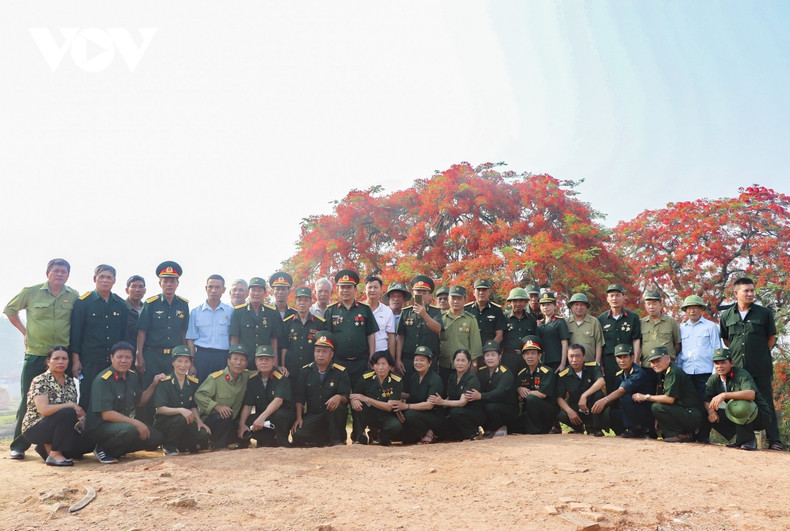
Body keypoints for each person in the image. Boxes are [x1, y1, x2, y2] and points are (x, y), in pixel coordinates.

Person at [4, 258, 78, 460]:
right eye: (56, 271)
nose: (60, 274)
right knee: (27, 401)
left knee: (64, 399)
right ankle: (19, 445)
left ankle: (53, 444)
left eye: (64, 271)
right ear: (48, 273)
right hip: (36, 353)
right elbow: (10, 310)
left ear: (68, 275)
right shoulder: (31, 291)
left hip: (62, 356)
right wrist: (23, 331)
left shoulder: (73, 295)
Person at [718, 277, 783, 451]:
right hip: (738, 368)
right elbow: (726, 340)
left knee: (766, 402)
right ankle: (743, 439)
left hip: (760, 367)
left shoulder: (764, 313)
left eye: (752, 290)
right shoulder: (726, 316)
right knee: (737, 401)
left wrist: (759, 354)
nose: (750, 294)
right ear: (736, 293)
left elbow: (771, 338)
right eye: (746, 291)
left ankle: (775, 440)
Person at [84, 341, 164, 464]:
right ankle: (103, 449)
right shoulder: (103, 380)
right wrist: (136, 423)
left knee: (156, 438)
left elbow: (140, 401)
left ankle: (118, 449)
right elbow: (107, 414)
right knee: (130, 430)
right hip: (100, 428)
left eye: (128, 357)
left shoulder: (132, 376)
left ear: (133, 359)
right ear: (111, 358)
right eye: (119, 357)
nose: (123, 360)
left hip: (121, 426)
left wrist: (154, 384)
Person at [323, 269, 378, 444]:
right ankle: (337, 437)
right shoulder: (331, 311)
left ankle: (359, 435)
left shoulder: (364, 309)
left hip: (361, 361)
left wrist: (372, 357)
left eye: (349, 287)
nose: (345, 290)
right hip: (338, 363)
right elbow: (328, 338)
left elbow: (370, 334)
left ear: (355, 289)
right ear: (337, 289)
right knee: (339, 398)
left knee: (359, 397)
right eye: (342, 287)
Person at [136, 261, 190, 424]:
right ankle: (145, 429)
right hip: (152, 355)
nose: (169, 284)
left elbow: (183, 333)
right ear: (160, 283)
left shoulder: (184, 305)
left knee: (171, 392)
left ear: (177, 283)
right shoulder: (151, 304)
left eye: (172, 281)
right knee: (149, 390)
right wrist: (139, 355)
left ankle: (166, 430)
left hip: (173, 358)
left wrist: (185, 358)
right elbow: (142, 331)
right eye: (165, 280)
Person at [70, 264, 129, 410]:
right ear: (95, 279)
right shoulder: (83, 302)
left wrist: (123, 360)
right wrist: (76, 360)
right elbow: (76, 333)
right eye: (101, 277)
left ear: (114, 280)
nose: (105, 280)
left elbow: (124, 336)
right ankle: (84, 430)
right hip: (91, 360)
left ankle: (111, 431)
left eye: (109, 277)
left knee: (114, 397)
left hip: (113, 361)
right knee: (88, 396)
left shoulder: (121, 305)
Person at [21, 346, 91, 466]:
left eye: (64, 358)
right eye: (56, 358)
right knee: (67, 411)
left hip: (59, 429)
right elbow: (44, 410)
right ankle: (55, 455)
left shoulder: (70, 382)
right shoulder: (40, 380)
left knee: (88, 444)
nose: (60, 362)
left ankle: (45, 449)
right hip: (36, 427)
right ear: (48, 361)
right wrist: (70, 405)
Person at [704, 348, 772, 450]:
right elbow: (706, 399)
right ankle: (739, 440)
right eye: (716, 363)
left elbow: (751, 394)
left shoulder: (741, 374)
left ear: (731, 363)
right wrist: (711, 411)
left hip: (759, 415)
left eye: (723, 363)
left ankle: (749, 440)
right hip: (739, 416)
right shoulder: (713, 379)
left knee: (739, 405)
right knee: (703, 410)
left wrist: (724, 395)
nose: (719, 366)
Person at [291, 332, 351, 447]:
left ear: (332, 354)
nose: (320, 355)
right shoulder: (305, 371)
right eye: (318, 351)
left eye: (324, 351)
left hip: (332, 415)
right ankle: (322, 439)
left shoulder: (340, 371)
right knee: (298, 435)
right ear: (314, 352)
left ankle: (336, 440)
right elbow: (299, 397)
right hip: (314, 414)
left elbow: (347, 397)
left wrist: (339, 397)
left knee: (337, 406)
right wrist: (299, 418)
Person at [633, 347, 702, 443]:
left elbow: (669, 399)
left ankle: (682, 435)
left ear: (668, 359)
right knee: (656, 406)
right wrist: (658, 418)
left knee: (656, 406)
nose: (655, 365)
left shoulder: (673, 372)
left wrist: (646, 397)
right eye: (653, 362)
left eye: (658, 361)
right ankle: (676, 434)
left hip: (691, 414)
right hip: (681, 411)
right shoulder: (663, 373)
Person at [677, 295, 721, 444]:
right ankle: (690, 434)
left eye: (695, 307)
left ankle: (703, 436)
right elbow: (680, 353)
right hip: (687, 371)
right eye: (689, 308)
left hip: (706, 372)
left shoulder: (711, 327)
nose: (692, 310)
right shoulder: (682, 328)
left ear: (701, 309)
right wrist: (678, 372)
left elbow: (717, 350)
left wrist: (715, 374)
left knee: (706, 402)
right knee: (689, 404)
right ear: (685, 310)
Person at [153, 345, 211, 456]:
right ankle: (169, 447)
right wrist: (180, 410)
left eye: (186, 361)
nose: (183, 365)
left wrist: (199, 421)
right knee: (181, 418)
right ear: (173, 363)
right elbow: (160, 409)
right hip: (166, 423)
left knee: (204, 434)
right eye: (179, 361)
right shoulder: (165, 382)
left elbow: (193, 405)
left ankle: (183, 446)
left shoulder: (193, 383)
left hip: (185, 421)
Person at [591, 344, 655, 438]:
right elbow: (614, 398)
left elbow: (622, 391)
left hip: (644, 412)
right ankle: (622, 431)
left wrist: (604, 400)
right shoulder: (620, 375)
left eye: (625, 357)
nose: (622, 360)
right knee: (610, 413)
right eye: (619, 357)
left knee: (626, 397)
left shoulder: (638, 373)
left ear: (632, 357)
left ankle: (639, 429)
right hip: (629, 412)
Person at [194, 344, 250, 450]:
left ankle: (230, 440)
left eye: (242, 360)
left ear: (246, 363)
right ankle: (218, 445)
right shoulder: (216, 378)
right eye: (235, 359)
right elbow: (199, 395)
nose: (238, 363)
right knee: (226, 414)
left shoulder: (247, 376)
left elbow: (262, 371)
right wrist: (217, 407)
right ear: (228, 361)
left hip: (231, 422)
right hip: (212, 420)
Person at [237, 345, 294, 448]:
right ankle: (266, 440)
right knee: (248, 421)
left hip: (282, 417)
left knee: (279, 416)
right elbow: (248, 405)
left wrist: (261, 418)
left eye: (267, 359)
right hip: (265, 417)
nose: (263, 362)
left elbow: (278, 401)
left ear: (273, 362)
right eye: (260, 359)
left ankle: (282, 442)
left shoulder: (281, 379)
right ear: (255, 362)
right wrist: (242, 424)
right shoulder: (252, 380)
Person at [391, 345, 444, 444]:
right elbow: (411, 396)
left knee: (409, 414)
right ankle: (419, 435)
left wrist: (406, 406)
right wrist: (394, 394)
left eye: (422, 360)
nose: (418, 363)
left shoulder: (435, 379)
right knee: (404, 438)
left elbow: (429, 405)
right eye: (416, 360)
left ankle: (430, 433)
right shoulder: (414, 377)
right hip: (418, 414)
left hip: (433, 416)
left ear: (430, 363)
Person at [429, 349, 485, 441]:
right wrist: (437, 402)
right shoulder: (452, 377)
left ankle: (473, 433)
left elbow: (462, 403)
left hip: (472, 412)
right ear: (454, 361)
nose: (460, 363)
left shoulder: (471, 379)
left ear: (469, 363)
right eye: (457, 360)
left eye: (463, 361)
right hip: (457, 411)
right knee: (441, 425)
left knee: (455, 412)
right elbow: (450, 397)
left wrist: (442, 402)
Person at [598, 283, 641, 403]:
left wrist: (636, 360)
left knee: (629, 390)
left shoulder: (633, 317)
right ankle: (615, 420)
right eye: (611, 296)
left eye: (617, 295)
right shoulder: (601, 319)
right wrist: (600, 364)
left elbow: (636, 339)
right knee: (612, 391)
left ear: (623, 297)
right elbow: (600, 344)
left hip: (628, 360)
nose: (614, 298)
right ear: (607, 299)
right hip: (609, 361)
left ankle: (630, 420)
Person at [186, 274, 234, 382]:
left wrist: (231, 360)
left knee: (222, 389)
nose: (213, 290)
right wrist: (192, 364)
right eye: (210, 287)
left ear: (224, 290)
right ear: (206, 288)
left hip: (223, 357)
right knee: (200, 388)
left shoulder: (230, 312)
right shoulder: (195, 312)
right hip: (202, 357)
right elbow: (190, 340)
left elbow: (233, 339)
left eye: (217, 287)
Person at [350, 351, 404, 445]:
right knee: (357, 404)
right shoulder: (366, 377)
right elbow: (354, 395)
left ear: (390, 366)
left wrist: (367, 399)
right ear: (372, 366)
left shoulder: (397, 381)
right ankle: (359, 436)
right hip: (369, 412)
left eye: (384, 364)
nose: (380, 367)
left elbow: (389, 407)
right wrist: (354, 400)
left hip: (385, 415)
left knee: (395, 426)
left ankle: (379, 436)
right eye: (377, 364)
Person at [465, 341, 517, 438]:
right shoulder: (482, 371)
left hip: (507, 408)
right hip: (489, 404)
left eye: (493, 355)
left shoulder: (505, 373)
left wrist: (481, 396)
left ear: (500, 356)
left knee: (490, 407)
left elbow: (499, 393)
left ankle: (500, 427)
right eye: (487, 355)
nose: (490, 358)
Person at [396, 275, 443, 380]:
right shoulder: (406, 312)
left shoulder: (435, 311)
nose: (420, 295)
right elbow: (400, 337)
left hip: (428, 361)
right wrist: (398, 359)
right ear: (413, 293)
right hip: (409, 360)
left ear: (429, 295)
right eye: (418, 292)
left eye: (424, 292)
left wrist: (424, 315)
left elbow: (438, 329)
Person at [229, 277, 282, 367]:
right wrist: (234, 362)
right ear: (248, 292)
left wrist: (275, 364)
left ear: (264, 293)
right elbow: (234, 339)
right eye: (253, 290)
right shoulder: (238, 311)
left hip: (265, 361)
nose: (256, 293)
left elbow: (273, 340)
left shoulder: (272, 312)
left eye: (259, 290)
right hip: (244, 361)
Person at [511, 337, 558, 435]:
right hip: (530, 413)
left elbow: (543, 394)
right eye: (527, 354)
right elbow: (519, 395)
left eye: (533, 353)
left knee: (531, 398)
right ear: (523, 356)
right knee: (512, 426)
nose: (530, 356)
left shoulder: (547, 371)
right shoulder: (521, 373)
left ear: (539, 355)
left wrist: (526, 393)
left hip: (547, 412)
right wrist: (519, 389)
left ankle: (534, 432)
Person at [556, 345, 606, 436]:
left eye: (578, 356)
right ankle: (579, 429)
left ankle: (595, 429)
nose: (574, 360)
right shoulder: (563, 375)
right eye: (571, 356)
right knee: (562, 415)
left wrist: (584, 396)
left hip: (591, 406)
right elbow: (559, 397)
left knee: (599, 395)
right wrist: (569, 411)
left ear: (584, 356)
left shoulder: (593, 366)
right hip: (576, 409)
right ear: (567, 357)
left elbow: (601, 381)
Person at [281, 287, 327, 379]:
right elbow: (284, 347)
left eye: (305, 300)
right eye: (299, 300)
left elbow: (323, 347)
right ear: (295, 302)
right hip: (291, 371)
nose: (302, 303)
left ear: (310, 303)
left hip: (312, 370)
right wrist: (283, 365)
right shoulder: (287, 323)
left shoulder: (320, 323)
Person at [439, 286, 482, 381]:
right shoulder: (441, 318)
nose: (456, 301)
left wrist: (474, 366)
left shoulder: (470, 319)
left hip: (462, 367)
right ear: (449, 299)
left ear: (464, 300)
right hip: (443, 365)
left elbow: (475, 346)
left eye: (459, 299)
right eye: (453, 298)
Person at [501, 287, 539, 373]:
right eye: (515, 301)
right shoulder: (504, 317)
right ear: (510, 302)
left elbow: (536, 339)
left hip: (526, 358)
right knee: (508, 384)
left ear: (526, 302)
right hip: (508, 358)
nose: (518, 303)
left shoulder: (532, 319)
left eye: (521, 301)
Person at [639, 290, 681, 365]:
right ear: (645, 305)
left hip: (667, 366)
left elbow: (677, 345)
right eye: (648, 304)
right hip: (647, 366)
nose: (651, 306)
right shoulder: (641, 323)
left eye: (654, 303)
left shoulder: (671, 322)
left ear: (660, 304)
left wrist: (670, 357)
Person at [465, 279, 506, 346]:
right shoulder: (466, 309)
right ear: (474, 292)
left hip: (489, 352)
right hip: (470, 351)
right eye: (479, 290)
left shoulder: (497, 310)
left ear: (489, 292)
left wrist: (490, 348)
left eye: (484, 290)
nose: (481, 292)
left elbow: (499, 335)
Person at [565, 293, 604, 364]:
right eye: (576, 304)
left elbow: (599, 344)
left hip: (590, 364)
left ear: (586, 307)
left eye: (582, 305)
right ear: (571, 307)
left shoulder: (594, 322)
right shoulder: (566, 323)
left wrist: (597, 363)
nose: (579, 307)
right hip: (572, 365)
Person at [537, 292, 570, 372]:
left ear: (555, 306)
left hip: (556, 362)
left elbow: (564, 343)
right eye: (543, 305)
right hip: (543, 362)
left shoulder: (560, 321)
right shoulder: (539, 324)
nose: (545, 307)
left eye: (548, 304)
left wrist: (563, 364)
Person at [365, 275, 396, 358]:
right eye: (370, 287)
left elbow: (391, 336)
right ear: (365, 289)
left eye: (376, 287)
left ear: (381, 290)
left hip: (381, 354)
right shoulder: (358, 308)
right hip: (362, 354)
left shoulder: (387, 311)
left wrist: (391, 360)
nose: (372, 290)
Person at [124, 275, 146, 352]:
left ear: (145, 290)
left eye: (141, 287)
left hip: (146, 353)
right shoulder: (121, 308)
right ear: (127, 290)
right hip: (126, 354)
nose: (137, 290)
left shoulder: (148, 309)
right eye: (133, 286)